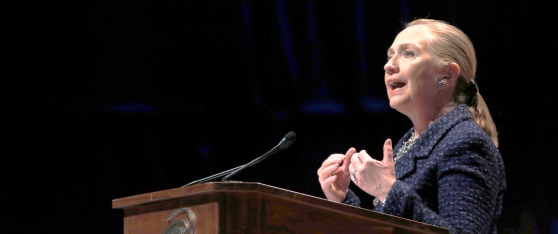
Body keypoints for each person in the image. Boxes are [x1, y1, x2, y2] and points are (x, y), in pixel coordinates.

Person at [317, 19, 505, 234]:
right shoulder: (409, 143)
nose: (389, 65)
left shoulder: (466, 143)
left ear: (446, 76)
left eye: (408, 54)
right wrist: (343, 201)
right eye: (390, 55)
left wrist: (387, 190)